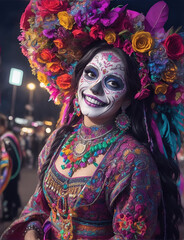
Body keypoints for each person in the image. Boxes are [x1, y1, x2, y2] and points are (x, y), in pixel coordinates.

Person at [1, 0, 184, 239]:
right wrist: (33, 230)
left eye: (113, 83)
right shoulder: (60, 138)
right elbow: (37, 206)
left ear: (128, 99)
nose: (95, 88)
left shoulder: (132, 160)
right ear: (78, 80)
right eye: (91, 73)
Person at [0, 114, 22, 221]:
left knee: (8, 194)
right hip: (13, 173)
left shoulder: (6, 139)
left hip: (10, 173)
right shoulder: (11, 137)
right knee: (13, 193)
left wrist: (8, 174)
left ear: (3, 126)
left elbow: (9, 158)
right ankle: (15, 208)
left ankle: (9, 213)